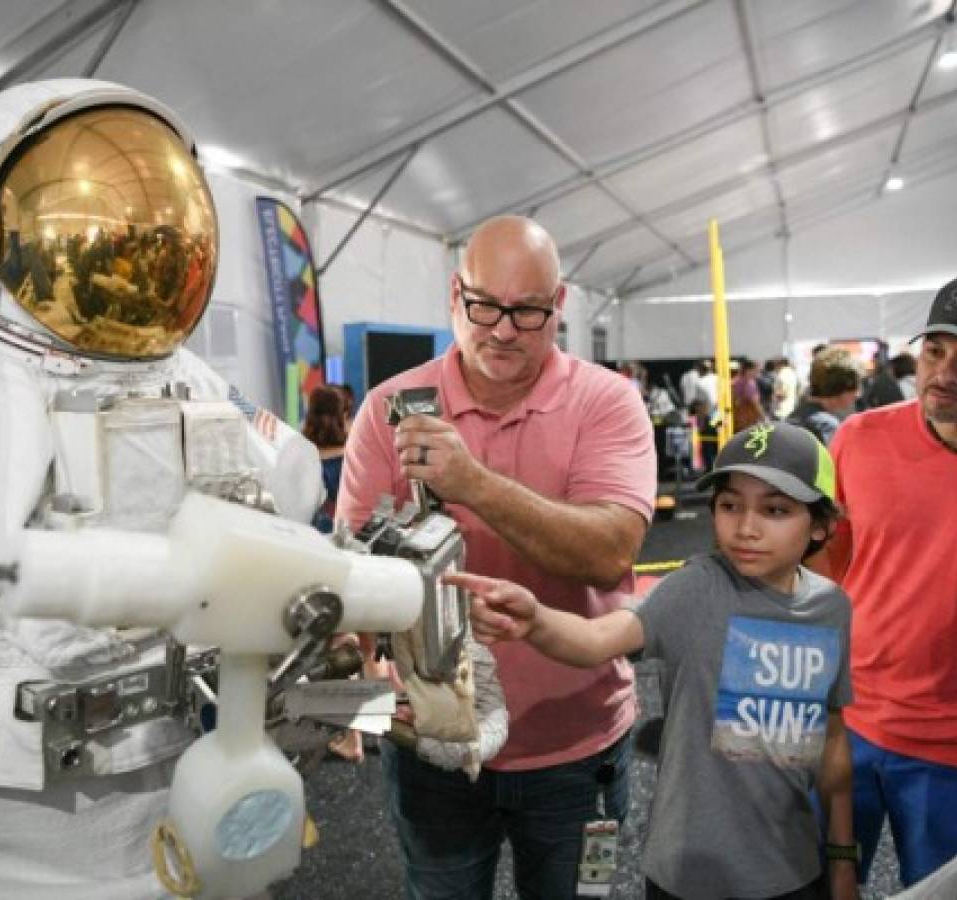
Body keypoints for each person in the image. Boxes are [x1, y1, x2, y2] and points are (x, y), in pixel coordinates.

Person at [0, 79, 323, 898]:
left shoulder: (193, 388)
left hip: (196, 835)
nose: (131, 252)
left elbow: (297, 516)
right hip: (12, 872)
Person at [336, 215, 655, 899]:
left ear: (559, 305)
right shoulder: (390, 408)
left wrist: (473, 482)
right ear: (455, 293)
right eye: (484, 306)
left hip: (580, 748)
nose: (503, 329)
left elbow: (610, 553)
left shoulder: (608, 403)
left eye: (528, 312)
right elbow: (354, 573)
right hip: (434, 751)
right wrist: (363, 689)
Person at [456, 422, 858, 900]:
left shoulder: (830, 608)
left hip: (791, 868)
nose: (746, 528)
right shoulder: (698, 588)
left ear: (819, 525)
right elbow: (597, 638)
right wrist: (536, 619)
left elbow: (830, 735)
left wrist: (841, 857)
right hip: (688, 873)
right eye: (730, 506)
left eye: (775, 510)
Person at [821, 274, 957, 888]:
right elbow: (827, 568)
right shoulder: (859, 440)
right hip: (849, 722)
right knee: (819, 883)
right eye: (936, 350)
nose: (945, 372)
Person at [786, 347, 863, 446]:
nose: (858, 394)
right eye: (856, 386)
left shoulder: (795, 416)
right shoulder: (827, 426)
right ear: (841, 387)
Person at [303, 384, 347, 533]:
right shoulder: (351, 458)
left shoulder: (298, 454)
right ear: (341, 414)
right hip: (340, 536)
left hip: (302, 534)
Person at [731, 357, 765, 431]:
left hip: (736, 419)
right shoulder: (749, 383)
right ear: (748, 370)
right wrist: (765, 418)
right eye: (756, 371)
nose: (758, 373)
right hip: (748, 420)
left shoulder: (735, 381)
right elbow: (755, 403)